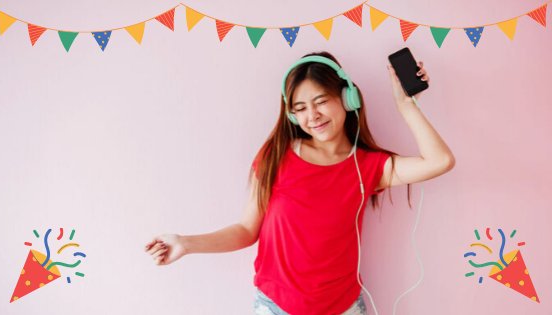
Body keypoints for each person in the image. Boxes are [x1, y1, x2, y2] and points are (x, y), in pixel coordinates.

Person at [145, 51, 455, 315]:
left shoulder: (368, 167)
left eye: (321, 101)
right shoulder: (275, 156)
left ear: (348, 98)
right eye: (300, 108)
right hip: (275, 307)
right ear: (291, 115)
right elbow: (245, 230)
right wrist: (185, 243)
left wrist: (406, 105)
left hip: (344, 307)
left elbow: (440, 161)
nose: (313, 116)